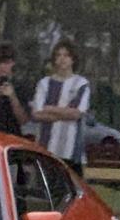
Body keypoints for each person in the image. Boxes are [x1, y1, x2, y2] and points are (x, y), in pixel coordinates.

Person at [31, 38, 91, 176]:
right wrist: (64, 114)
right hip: (46, 148)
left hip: (71, 150)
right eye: (58, 55)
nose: (62, 59)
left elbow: (77, 114)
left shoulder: (81, 84)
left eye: (66, 55)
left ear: (73, 59)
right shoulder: (44, 84)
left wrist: (50, 108)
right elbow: (37, 113)